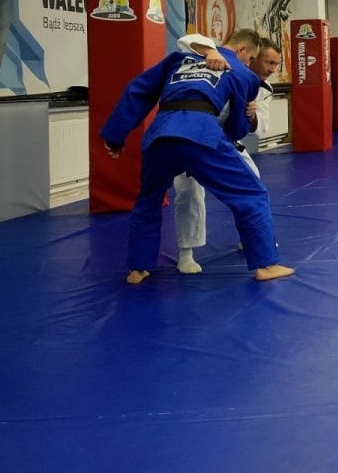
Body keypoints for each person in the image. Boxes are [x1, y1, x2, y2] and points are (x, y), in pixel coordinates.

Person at [99, 30, 294, 284]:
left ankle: (138, 268)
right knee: (252, 193)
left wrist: (116, 134)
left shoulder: (178, 59)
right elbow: (236, 129)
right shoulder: (242, 73)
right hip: (200, 133)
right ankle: (266, 264)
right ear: (241, 51)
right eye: (251, 59)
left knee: (148, 201)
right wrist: (245, 117)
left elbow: (139, 89)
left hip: (160, 134)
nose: (250, 64)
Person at [172, 32, 282, 274]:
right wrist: (210, 51)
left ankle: (252, 239)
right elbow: (187, 40)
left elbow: (261, 127)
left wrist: (252, 116)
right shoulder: (216, 62)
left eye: (276, 64)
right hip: (192, 133)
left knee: (252, 182)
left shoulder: (262, 88)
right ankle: (186, 253)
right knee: (188, 190)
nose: (272, 69)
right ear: (251, 56)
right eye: (268, 62)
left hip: (227, 141)